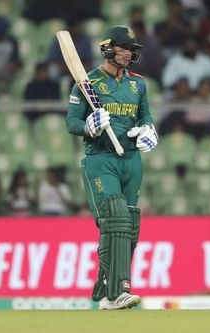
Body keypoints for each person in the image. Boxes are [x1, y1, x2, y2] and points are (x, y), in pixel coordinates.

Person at [66, 25, 158, 310]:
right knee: (115, 219)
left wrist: (148, 131)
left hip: (131, 160)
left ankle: (108, 290)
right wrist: (89, 128)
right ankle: (119, 291)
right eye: (123, 48)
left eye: (131, 49)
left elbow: (145, 116)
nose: (129, 53)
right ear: (108, 48)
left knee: (128, 226)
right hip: (101, 159)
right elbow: (72, 122)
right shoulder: (88, 82)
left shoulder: (138, 84)